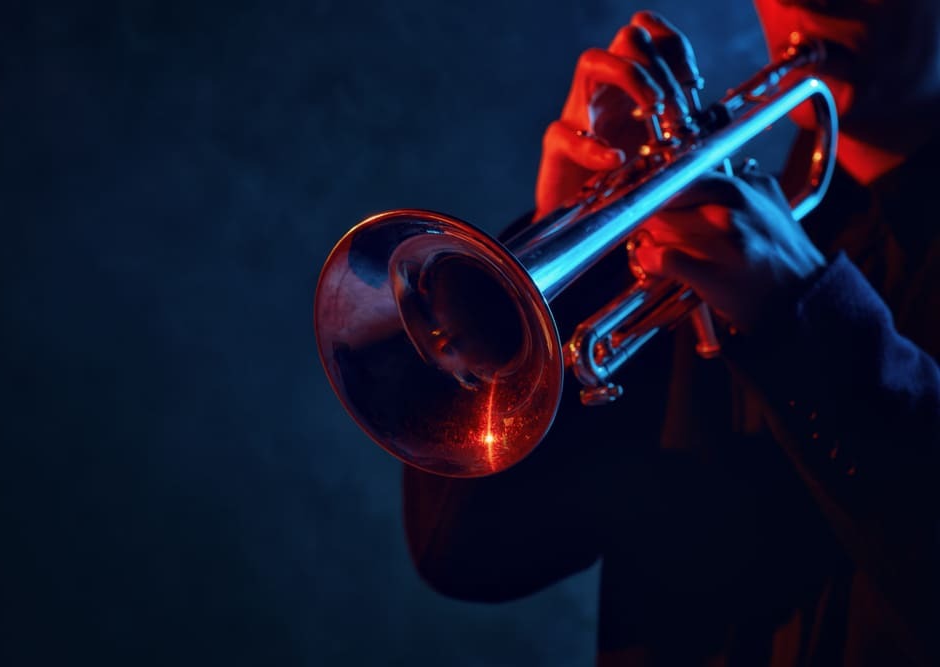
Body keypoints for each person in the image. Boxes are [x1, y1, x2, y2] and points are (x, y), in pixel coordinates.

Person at [402, 1, 939, 665]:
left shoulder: (765, 272)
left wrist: (809, 315)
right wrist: (571, 245)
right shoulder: (705, 249)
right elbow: (466, 556)